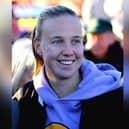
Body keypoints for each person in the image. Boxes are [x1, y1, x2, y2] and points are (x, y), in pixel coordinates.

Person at [12, 5, 124, 129]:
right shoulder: (23, 101)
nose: (68, 51)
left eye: (76, 41)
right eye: (57, 41)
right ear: (38, 47)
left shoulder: (115, 100)